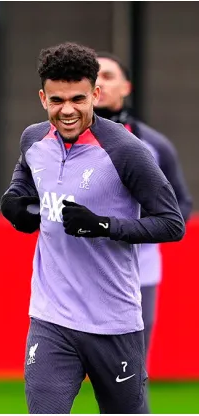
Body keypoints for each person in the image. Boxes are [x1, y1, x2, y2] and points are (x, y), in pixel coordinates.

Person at [0, 42, 185, 414]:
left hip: (113, 323)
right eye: (56, 100)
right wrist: (14, 203)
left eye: (78, 99)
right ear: (42, 97)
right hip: (50, 318)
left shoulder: (127, 150)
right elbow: (23, 184)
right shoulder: (33, 140)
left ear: (95, 94)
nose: (67, 110)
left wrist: (104, 225)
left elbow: (172, 223)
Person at [95, 51, 193, 359]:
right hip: (77, 269)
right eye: (92, 77)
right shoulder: (57, 140)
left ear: (126, 88)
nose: (99, 83)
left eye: (108, 76)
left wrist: (128, 228)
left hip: (137, 271)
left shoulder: (153, 145)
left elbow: (181, 206)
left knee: (130, 370)